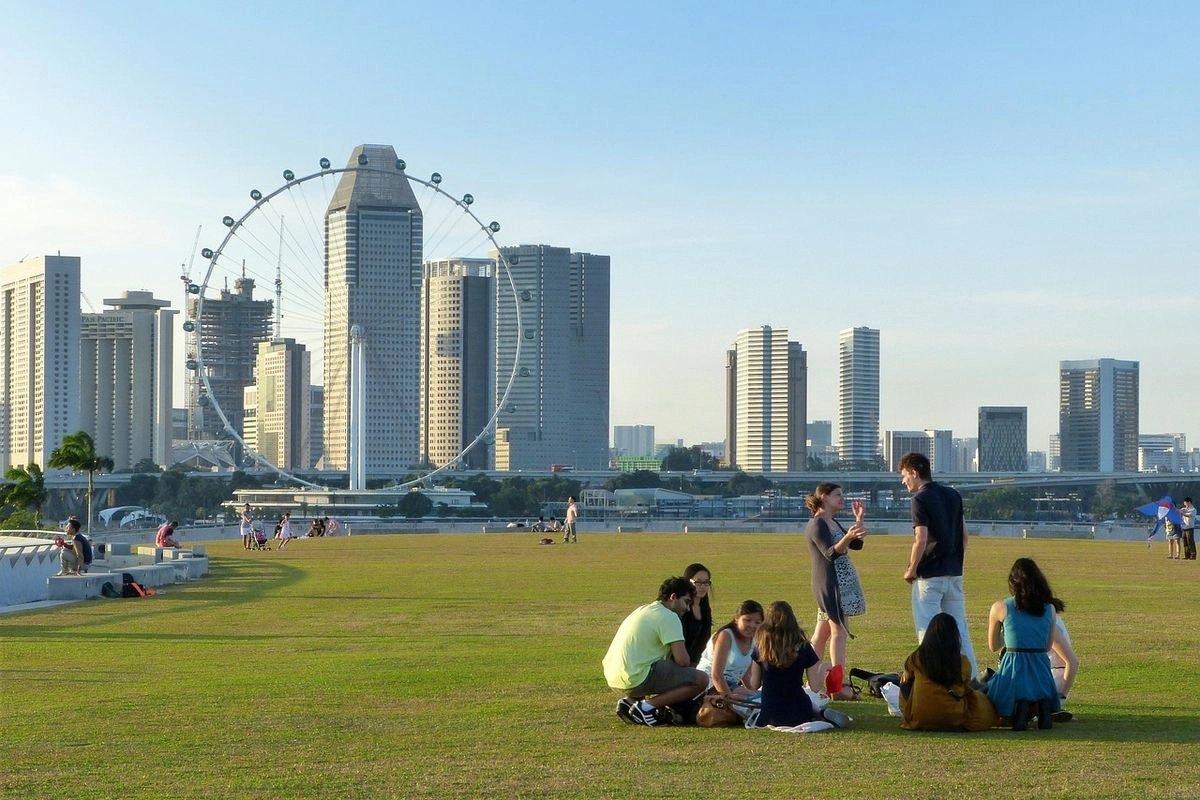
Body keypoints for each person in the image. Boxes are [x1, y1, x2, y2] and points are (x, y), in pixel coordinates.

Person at [899, 452, 979, 678]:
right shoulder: (953, 495)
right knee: (959, 629)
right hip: (954, 572)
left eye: (905, 475)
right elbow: (964, 537)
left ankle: (932, 681)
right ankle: (972, 680)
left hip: (930, 576)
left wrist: (912, 568)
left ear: (914, 472)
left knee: (927, 630)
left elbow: (921, 539)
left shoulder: (919, 500)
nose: (904, 481)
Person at [602, 576, 709, 727]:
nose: (687, 608)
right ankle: (645, 708)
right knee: (701, 679)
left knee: (661, 667)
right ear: (673, 597)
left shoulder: (643, 609)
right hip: (636, 677)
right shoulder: (669, 617)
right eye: (686, 602)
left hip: (614, 676)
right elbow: (682, 661)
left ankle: (631, 702)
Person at [805, 483, 868, 699]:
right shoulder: (817, 523)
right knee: (838, 633)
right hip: (831, 585)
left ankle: (812, 684)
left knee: (820, 636)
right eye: (837, 495)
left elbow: (855, 546)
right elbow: (830, 553)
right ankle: (837, 687)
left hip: (841, 582)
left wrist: (858, 522)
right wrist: (848, 536)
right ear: (823, 496)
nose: (842, 498)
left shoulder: (831, 521)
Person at [985, 558, 1062, 728]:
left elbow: (993, 646)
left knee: (984, 684)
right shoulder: (1049, 608)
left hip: (1013, 670)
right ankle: (1040, 710)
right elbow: (1047, 646)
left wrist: (1011, 634)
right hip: (1041, 672)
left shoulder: (1000, 607)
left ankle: (1018, 711)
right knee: (1035, 687)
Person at [898, 612, 997, 731]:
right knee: (983, 701)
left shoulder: (916, 658)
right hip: (954, 717)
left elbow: (906, 683)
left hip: (920, 718)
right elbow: (965, 687)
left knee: (905, 680)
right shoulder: (962, 661)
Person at [746, 600, 834, 728]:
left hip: (769, 713)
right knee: (813, 702)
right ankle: (820, 712)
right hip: (799, 711)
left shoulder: (761, 648)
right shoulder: (804, 647)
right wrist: (823, 668)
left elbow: (754, 685)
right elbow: (815, 687)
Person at [697, 600, 763, 701]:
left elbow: (743, 671)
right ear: (737, 619)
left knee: (759, 696)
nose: (752, 626)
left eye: (757, 622)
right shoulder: (726, 636)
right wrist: (729, 698)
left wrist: (751, 690)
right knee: (752, 699)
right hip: (709, 684)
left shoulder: (753, 640)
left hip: (731, 686)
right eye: (747, 620)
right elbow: (716, 675)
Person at [681, 563, 713, 666]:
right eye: (698, 582)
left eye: (706, 582)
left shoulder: (705, 610)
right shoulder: (681, 610)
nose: (702, 587)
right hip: (682, 663)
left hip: (701, 663)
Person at [1048, 597, 1079, 705]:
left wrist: (1061, 697)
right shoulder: (1054, 620)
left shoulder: (1051, 626)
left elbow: (1072, 662)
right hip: (1053, 676)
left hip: (1055, 681)